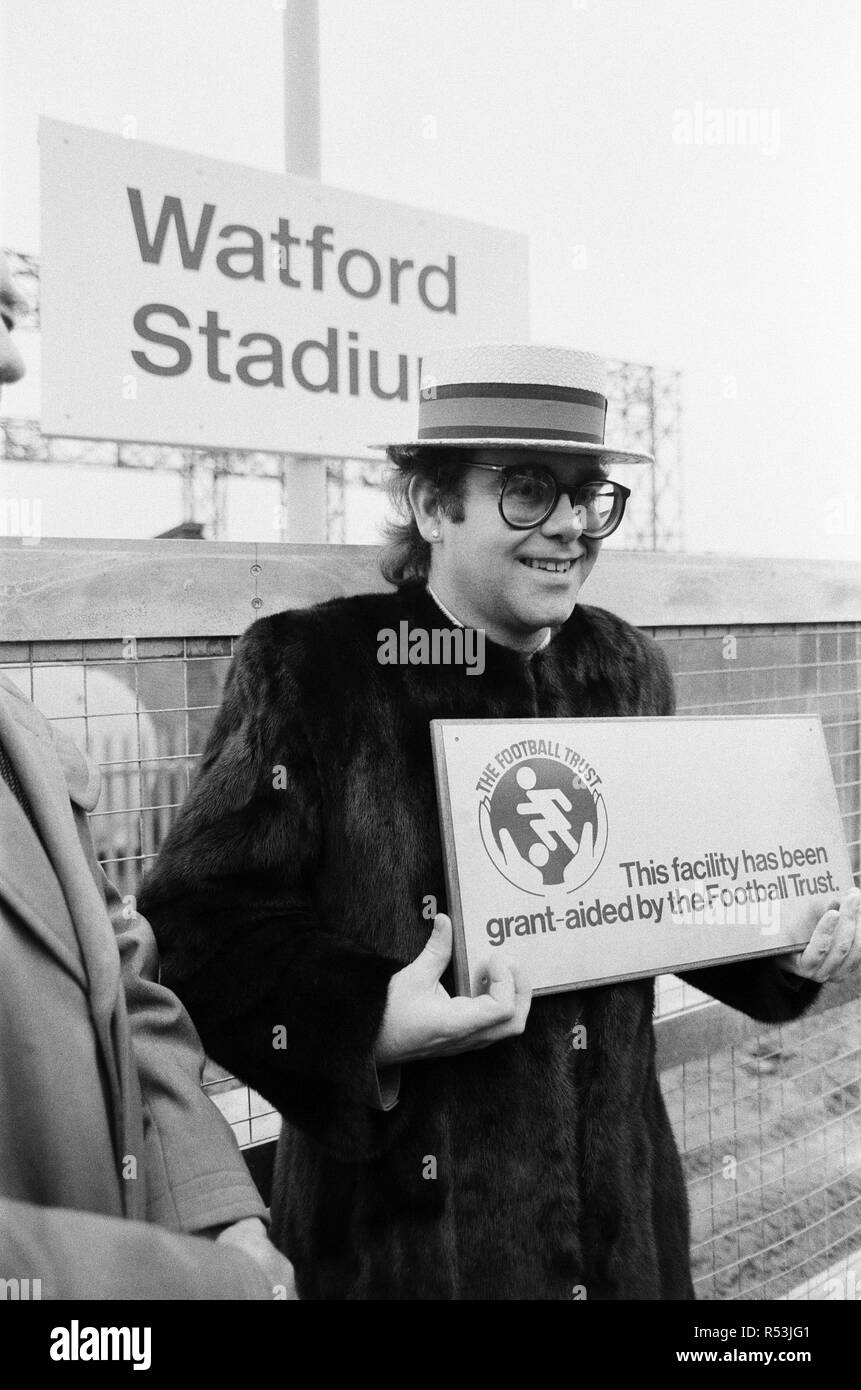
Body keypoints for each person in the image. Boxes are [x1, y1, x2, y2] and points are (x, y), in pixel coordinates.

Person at [138, 343, 861, 1300]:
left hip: (621, 1241)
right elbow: (197, 928)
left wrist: (787, 940)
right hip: (408, 1254)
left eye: (587, 494)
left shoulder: (621, 669)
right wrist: (369, 1018)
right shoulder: (315, 670)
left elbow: (657, 900)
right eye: (526, 490)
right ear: (434, 506)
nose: (568, 525)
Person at [0, 248, 296, 1299]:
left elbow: (125, 977)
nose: (12, 359)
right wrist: (188, 1287)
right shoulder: (302, 674)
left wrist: (219, 1213)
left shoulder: (26, 733)